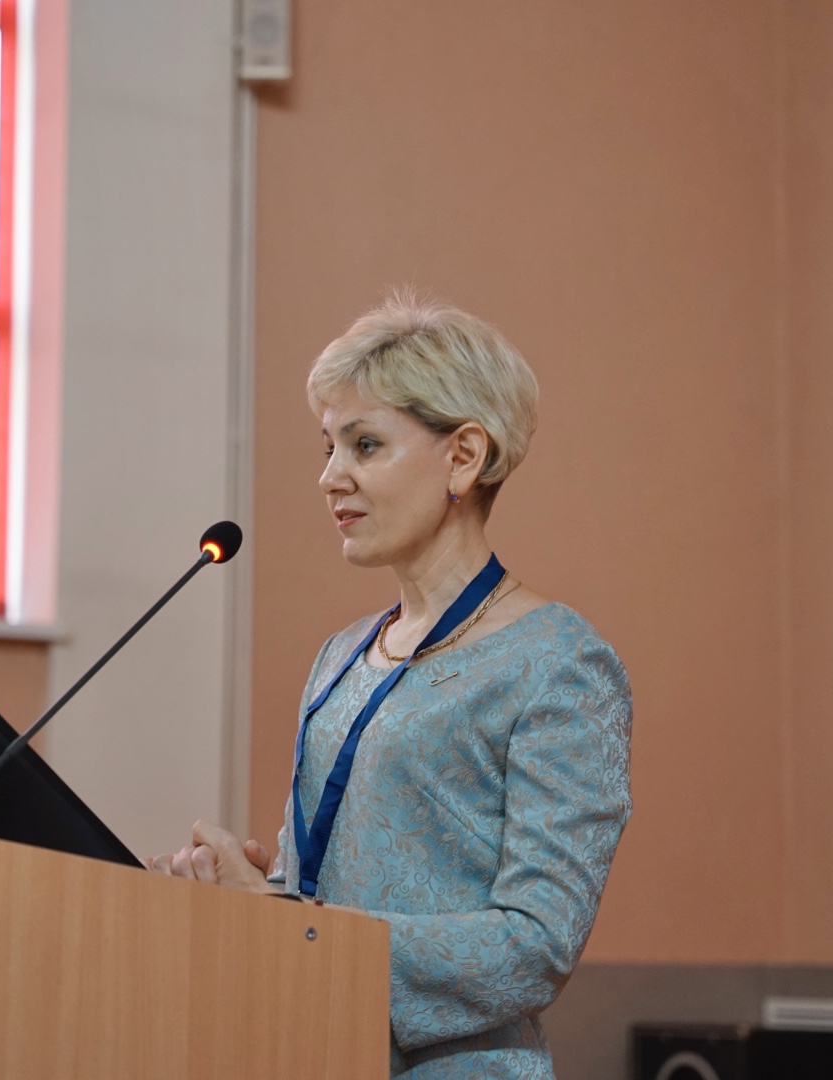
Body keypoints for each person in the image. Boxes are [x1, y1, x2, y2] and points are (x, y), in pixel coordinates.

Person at [151, 295, 632, 1079]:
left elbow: (536, 945)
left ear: (463, 457)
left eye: (365, 445)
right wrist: (239, 898)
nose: (329, 477)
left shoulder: (559, 662)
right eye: (329, 447)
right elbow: (304, 897)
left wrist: (288, 924)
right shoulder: (341, 656)